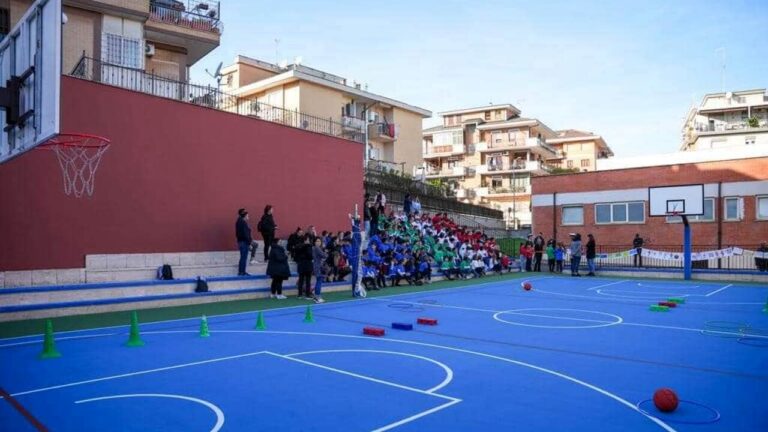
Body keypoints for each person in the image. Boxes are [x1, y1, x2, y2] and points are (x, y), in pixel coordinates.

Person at [235, 208, 252, 276]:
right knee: (244, 257)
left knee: (243, 257)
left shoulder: (239, 222)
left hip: (241, 241)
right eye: (247, 215)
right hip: (244, 242)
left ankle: (241, 271)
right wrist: (249, 243)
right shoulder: (243, 223)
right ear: (244, 215)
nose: (248, 217)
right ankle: (242, 272)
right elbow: (245, 234)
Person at [312, 237, 328, 303]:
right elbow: (324, 256)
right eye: (317, 241)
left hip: (317, 266)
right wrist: (325, 252)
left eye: (319, 241)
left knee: (318, 281)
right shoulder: (317, 248)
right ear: (314, 242)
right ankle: (317, 297)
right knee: (319, 281)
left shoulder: (314, 248)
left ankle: (316, 296)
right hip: (318, 266)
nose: (319, 242)